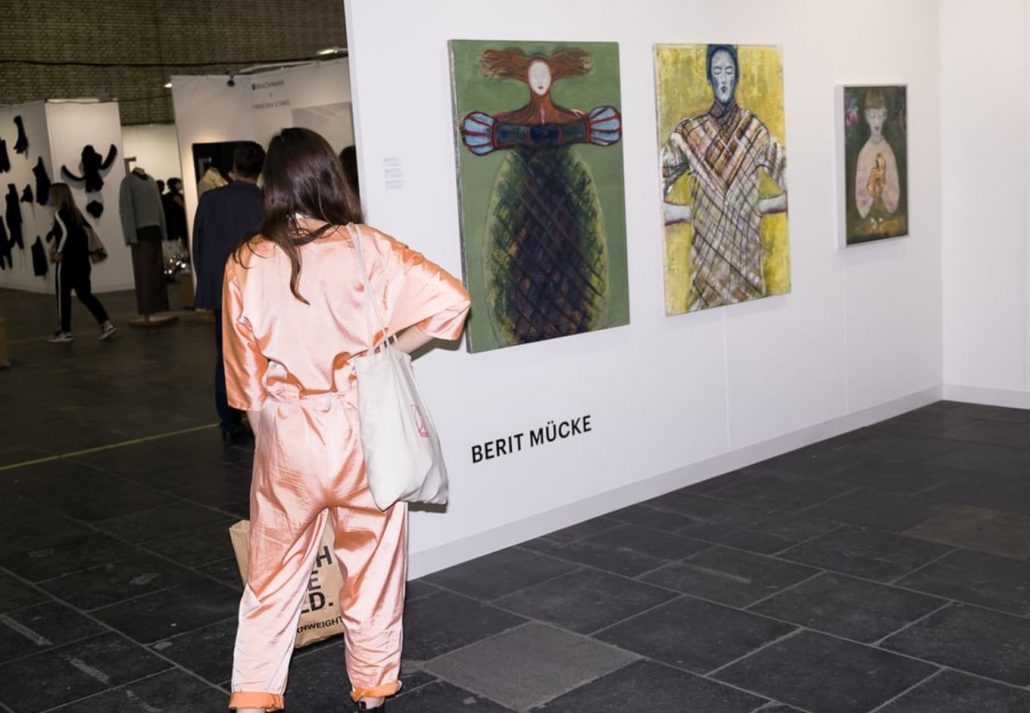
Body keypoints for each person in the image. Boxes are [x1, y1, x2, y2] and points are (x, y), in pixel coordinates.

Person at [223, 127, 470, 712]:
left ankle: (255, 693)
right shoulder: (366, 247)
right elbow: (452, 300)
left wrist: (273, 443)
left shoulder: (246, 262)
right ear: (328, 176)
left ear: (271, 186)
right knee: (375, 565)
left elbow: (246, 381)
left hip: (288, 433)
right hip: (365, 430)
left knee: (272, 575)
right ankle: (373, 686)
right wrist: (386, 354)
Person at [661, 44, 788, 310]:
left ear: (737, 76)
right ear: (708, 77)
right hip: (705, 289)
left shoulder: (755, 131)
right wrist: (692, 211)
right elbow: (651, 193)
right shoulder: (688, 134)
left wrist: (760, 206)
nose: (723, 78)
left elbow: (795, 183)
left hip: (750, 285)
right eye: (717, 71)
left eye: (729, 71)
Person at [192, 142, 265, 445]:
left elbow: (198, 246)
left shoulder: (210, 200)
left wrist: (208, 284)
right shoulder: (266, 201)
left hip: (222, 289)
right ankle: (261, 415)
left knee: (225, 356)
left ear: (233, 166)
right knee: (265, 354)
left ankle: (229, 421)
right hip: (259, 291)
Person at [45, 183, 117, 343]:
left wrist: (59, 253)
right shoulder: (76, 213)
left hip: (67, 262)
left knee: (62, 296)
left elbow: (65, 234)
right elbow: (84, 234)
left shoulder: (59, 213)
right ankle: (106, 324)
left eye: (51, 194)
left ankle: (65, 331)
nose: (49, 197)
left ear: (56, 195)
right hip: (82, 261)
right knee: (85, 294)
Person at [854, 88, 900, 224]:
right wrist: (871, 184)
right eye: (873, 116)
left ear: (885, 116)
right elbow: (860, 196)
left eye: (880, 116)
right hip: (869, 221)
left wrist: (884, 184)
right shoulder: (864, 153)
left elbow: (894, 196)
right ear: (867, 117)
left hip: (888, 219)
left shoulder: (888, 152)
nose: (876, 122)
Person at [162, 177, 189, 254]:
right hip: (178, 223)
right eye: (179, 183)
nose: (181, 185)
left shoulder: (167, 197)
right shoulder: (175, 197)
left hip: (176, 224)